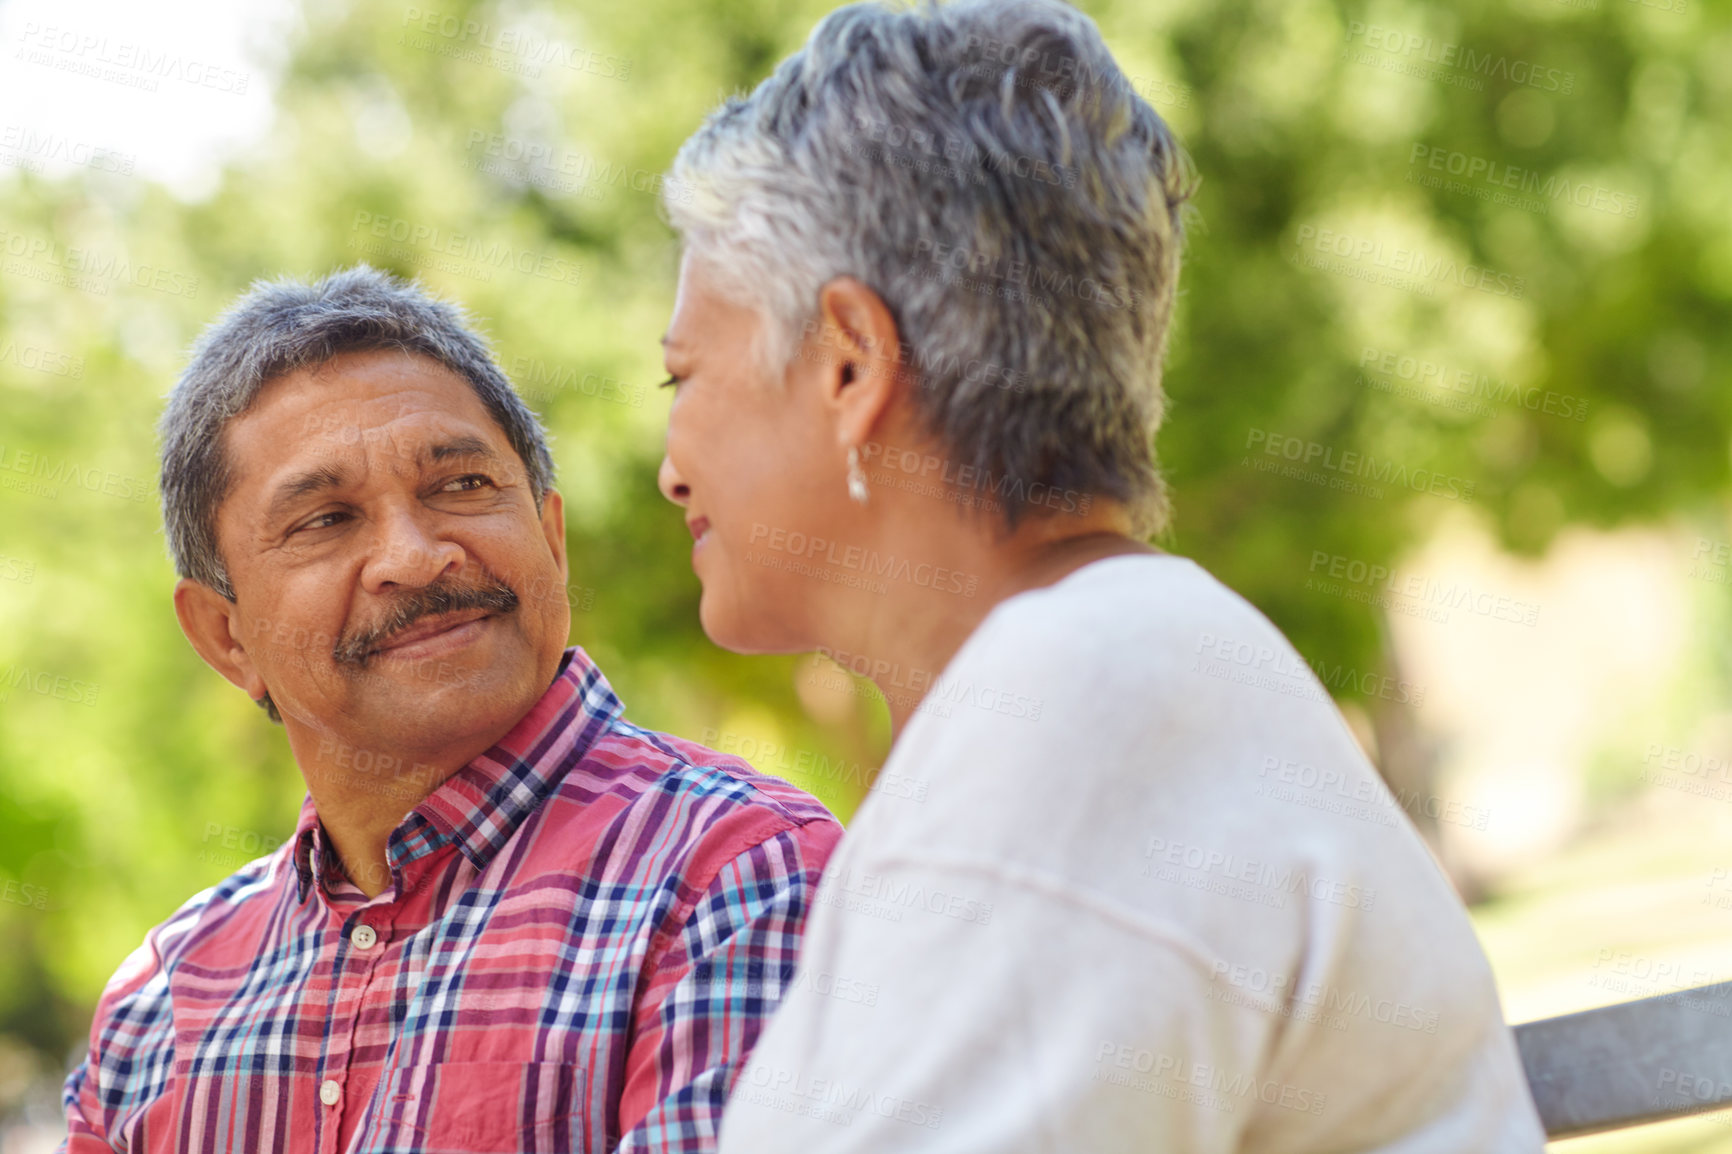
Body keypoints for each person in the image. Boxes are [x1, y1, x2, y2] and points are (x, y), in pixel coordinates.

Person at [653, 0, 1547, 1149]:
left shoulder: (1079, 703)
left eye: (681, 376)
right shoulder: (1108, 674)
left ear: (848, 364)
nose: (671, 471)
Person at [60, 266, 842, 1153]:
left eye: (462, 486)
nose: (415, 555)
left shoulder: (736, 880)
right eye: (326, 519)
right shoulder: (157, 1012)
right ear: (225, 637)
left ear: (550, 534)